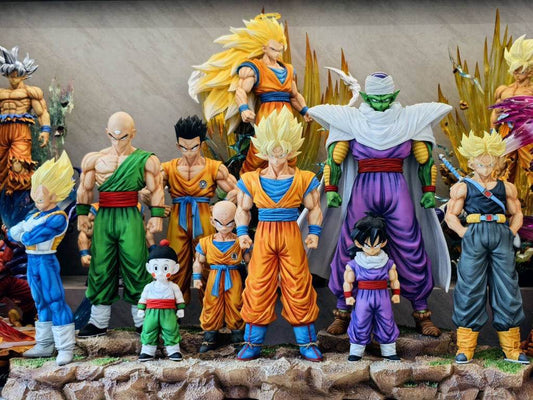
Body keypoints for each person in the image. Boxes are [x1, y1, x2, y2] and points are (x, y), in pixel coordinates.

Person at [307, 72, 452, 337]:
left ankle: (421, 310)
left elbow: (425, 160)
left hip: (397, 188)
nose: (382, 104)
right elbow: (334, 159)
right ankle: (342, 310)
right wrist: (332, 189)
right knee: (350, 243)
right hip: (364, 187)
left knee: (409, 244)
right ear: (365, 97)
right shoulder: (352, 121)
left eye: (386, 99)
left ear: (394, 96)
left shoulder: (409, 120)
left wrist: (429, 191)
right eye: (376, 99)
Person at [235, 107, 322, 362]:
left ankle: (307, 342)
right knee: (258, 284)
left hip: (290, 233)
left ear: (291, 150)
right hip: (263, 234)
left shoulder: (303, 178)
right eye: (272, 150)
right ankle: (252, 342)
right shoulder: (251, 179)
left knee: (298, 283)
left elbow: (314, 208)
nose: (276, 155)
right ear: (262, 150)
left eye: (282, 150)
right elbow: (242, 209)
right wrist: (242, 232)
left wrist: (314, 232)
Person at [76, 111, 165, 337]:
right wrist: (82, 214)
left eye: (123, 136)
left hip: (130, 215)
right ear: (107, 133)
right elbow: (85, 188)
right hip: (104, 214)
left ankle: (142, 320)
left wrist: (156, 215)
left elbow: (156, 188)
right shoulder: (94, 159)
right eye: (113, 136)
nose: (118, 142)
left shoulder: (146, 159)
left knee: (136, 263)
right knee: (101, 265)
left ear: (132, 134)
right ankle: (98, 322)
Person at [188, 13, 311, 173]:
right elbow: (241, 90)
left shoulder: (287, 69)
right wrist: (244, 109)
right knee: (259, 154)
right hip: (267, 115)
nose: (277, 54)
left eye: (280, 50)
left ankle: (285, 183)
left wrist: (305, 110)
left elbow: (294, 95)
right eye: (273, 49)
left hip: (287, 117)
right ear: (264, 48)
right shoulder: (254, 68)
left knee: (289, 154)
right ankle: (247, 183)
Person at [445, 131, 529, 365]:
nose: (486, 167)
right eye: (481, 163)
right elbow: (451, 215)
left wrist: (510, 232)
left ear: (497, 163)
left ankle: (512, 348)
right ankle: (465, 347)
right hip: (475, 234)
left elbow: (517, 213)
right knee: (470, 286)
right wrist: (464, 233)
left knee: (507, 286)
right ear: (472, 162)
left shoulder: (506, 187)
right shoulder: (462, 188)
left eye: (490, 162)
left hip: (500, 234)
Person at [8, 152, 75, 365]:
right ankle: (45, 344)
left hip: (47, 262)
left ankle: (65, 347)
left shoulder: (58, 218)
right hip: (32, 262)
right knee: (40, 302)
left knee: (55, 301)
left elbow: (28, 236)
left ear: (54, 195)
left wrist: (23, 232)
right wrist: (21, 232)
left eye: (41, 196)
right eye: (34, 194)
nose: (36, 199)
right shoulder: (35, 215)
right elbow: (12, 233)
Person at [162, 115, 237, 304]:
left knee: (208, 262)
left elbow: (237, 190)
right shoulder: (168, 168)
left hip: (204, 218)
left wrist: (221, 209)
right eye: (184, 147)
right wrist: (156, 207)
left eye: (194, 147)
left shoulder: (214, 168)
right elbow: (150, 190)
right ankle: (174, 308)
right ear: (178, 145)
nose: (189, 152)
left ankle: (211, 309)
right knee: (174, 263)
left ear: (201, 144)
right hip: (177, 220)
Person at [192, 200, 249, 353]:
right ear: (212, 221)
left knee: (236, 303)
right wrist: (196, 277)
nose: (224, 227)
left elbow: (249, 262)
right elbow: (198, 261)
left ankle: (238, 336)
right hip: (214, 276)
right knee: (211, 303)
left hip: (234, 276)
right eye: (220, 223)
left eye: (229, 223)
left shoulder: (240, 242)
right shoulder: (205, 242)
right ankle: (210, 336)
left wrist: (251, 279)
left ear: (236, 222)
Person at [344, 214, 400, 362]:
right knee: (360, 320)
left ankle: (389, 351)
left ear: (383, 242)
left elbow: (394, 279)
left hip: (383, 295)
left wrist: (396, 293)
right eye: (368, 245)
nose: (373, 248)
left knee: (386, 320)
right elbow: (348, 281)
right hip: (363, 296)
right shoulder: (355, 263)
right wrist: (348, 296)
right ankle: (356, 351)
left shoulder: (387, 262)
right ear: (358, 243)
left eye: (376, 244)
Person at [490, 35, 533, 213]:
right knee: (501, 171)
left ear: (529, 70)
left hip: (527, 133)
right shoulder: (503, 90)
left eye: (520, 69)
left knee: (531, 168)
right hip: (506, 132)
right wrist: (492, 133)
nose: (516, 73)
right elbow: (494, 114)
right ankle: (500, 211)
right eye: (514, 69)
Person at [0, 46, 50, 195]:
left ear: (23, 75)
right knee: (1, 168)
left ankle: (21, 198)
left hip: (20, 132)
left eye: (16, 76)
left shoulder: (30, 92)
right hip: (2, 132)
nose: (13, 79)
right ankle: (5, 199)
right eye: (10, 76)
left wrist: (45, 130)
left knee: (19, 165)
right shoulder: (2, 93)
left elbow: (42, 112)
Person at [137, 240, 185, 362]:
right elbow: (143, 298)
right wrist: (141, 309)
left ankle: (173, 350)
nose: (160, 272)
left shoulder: (173, 286)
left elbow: (179, 298)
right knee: (148, 329)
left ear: (175, 268)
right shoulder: (149, 287)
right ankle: (147, 351)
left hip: (168, 312)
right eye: (156, 268)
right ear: (149, 268)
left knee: (171, 329)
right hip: (151, 312)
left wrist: (180, 309)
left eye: (165, 268)